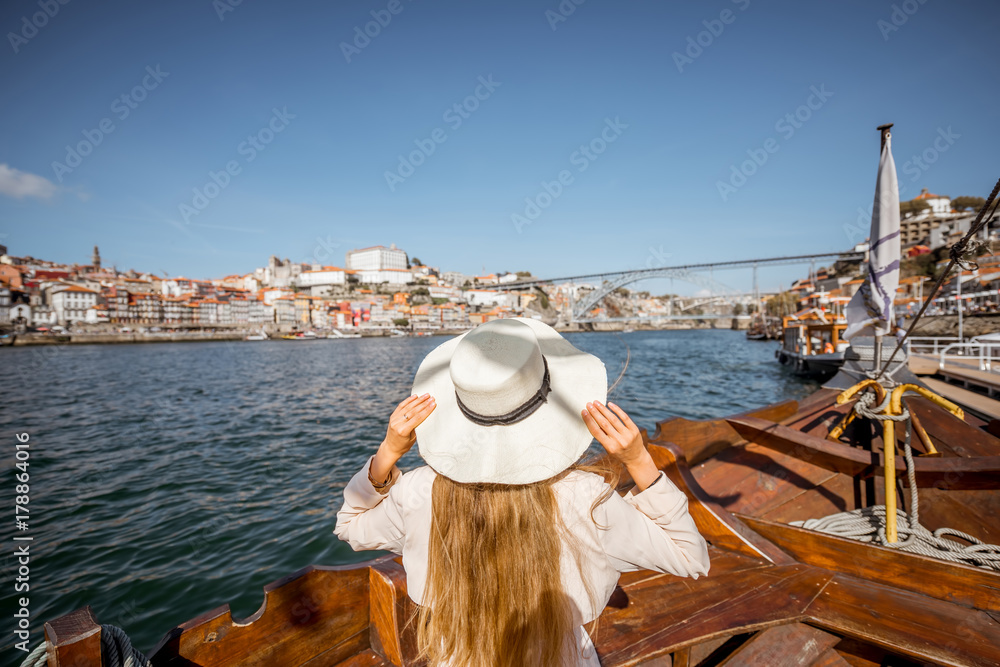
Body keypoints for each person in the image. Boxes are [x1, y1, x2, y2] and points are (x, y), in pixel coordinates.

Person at [335, 318, 710, 666]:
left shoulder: (418, 491)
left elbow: (350, 526)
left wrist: (389, 452)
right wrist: (638, 459)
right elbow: (689, 556)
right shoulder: (584, 496)